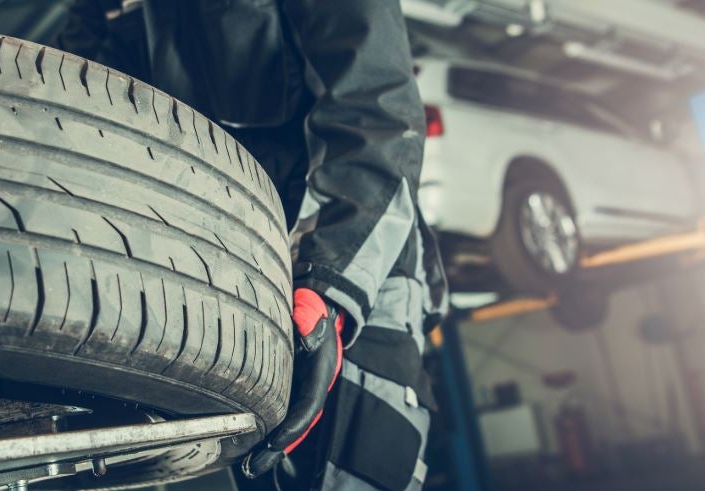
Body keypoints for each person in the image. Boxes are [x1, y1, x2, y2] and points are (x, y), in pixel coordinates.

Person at [57, 1, 448, 489]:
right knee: (259, 469)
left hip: (350, 264)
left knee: (341, 473)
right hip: (229, 287)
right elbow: (73, 119)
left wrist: (325, 291)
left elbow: (376, 113)